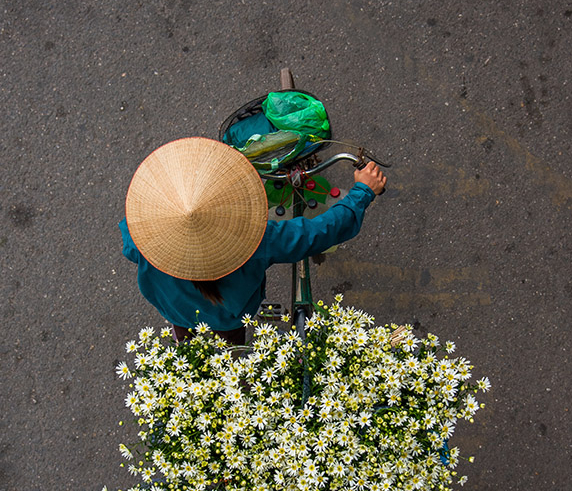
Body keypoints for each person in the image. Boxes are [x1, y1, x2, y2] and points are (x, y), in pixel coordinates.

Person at [120, 137, 386, 345]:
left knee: (184, 331)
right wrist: (362, 192)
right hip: (229, 318)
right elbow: (320, 232)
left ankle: (185, 342)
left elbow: (130, 247)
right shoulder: (257, 241)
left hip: (174, 308)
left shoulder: (142, 232)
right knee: (232, 345)